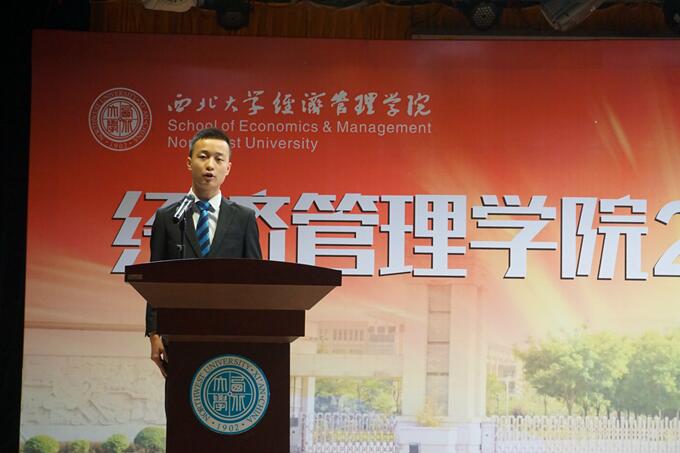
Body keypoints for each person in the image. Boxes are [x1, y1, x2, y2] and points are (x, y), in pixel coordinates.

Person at [145, 127, 262, 377]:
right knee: (182, 399)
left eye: (219, 159)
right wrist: (154, 334)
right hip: (178, 334)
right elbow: (155, 281)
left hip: (231, 334)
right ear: (189, 163)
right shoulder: (168, 218)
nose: (210, 165)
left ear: (228, 168)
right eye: (203, 156)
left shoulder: (244, 218)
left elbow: (254, 282)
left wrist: (253, 334)